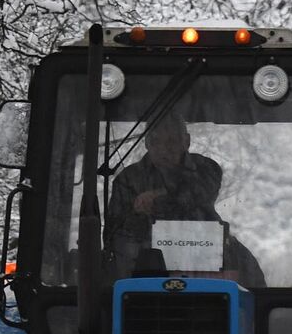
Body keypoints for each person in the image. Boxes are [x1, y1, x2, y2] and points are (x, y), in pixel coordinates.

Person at [106, 114, 263, 284]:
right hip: (144, 264)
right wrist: (136, 214)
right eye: (155, 141)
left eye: (172, 141)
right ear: (146, 143)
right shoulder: (128, 179)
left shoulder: (205, 168)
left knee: (248, 273)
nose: (164, 149)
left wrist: (158, 198)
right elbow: (114, 235)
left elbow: (196, 195)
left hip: (206, 250)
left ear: (186, 141)